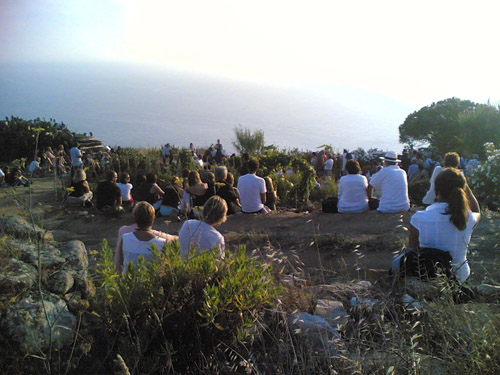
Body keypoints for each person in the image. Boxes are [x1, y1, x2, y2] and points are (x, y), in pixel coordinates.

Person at [392, 168, 480, 282]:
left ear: (436, 190)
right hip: (459, 277)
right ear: (463, 190)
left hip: (428, 275)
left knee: (397, 261)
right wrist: (466, 190)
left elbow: (411, 251)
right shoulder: (468, 218)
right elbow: (477, 211)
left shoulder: (419, 218)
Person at [114, 202, 178, 273]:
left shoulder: (125, 238)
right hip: (152, 282)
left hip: (129, 281)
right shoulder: (162, 243)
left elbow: (119, 263)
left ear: (135, 218)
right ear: (153, 218)